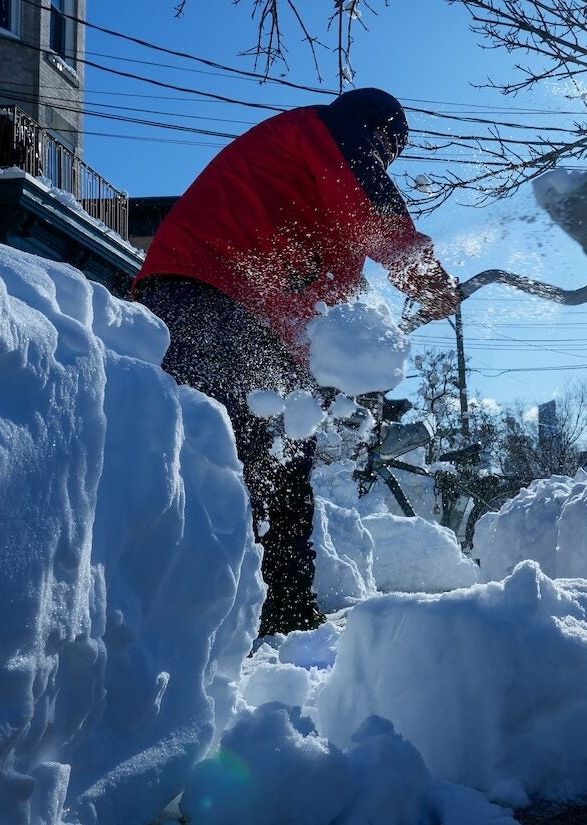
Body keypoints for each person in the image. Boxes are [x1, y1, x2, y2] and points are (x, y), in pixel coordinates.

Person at [135, 88, 460, 636]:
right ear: (374, 130)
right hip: (203, 293)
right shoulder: (321, 131)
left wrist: (345, 360)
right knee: (230, 456)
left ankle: (275, 606)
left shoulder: (314, 197)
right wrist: (420, 274)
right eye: (387, 150)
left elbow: (333, 300)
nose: (384, 162)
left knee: (279, 458)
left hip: (239, 315)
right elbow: (366, 194)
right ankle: (195, 616)